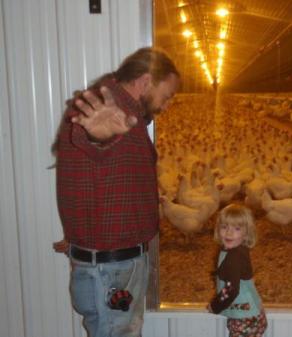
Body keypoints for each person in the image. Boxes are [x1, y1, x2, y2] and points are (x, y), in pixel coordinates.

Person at [52, 47, 180, 337]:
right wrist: (97, 137)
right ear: (146, 81)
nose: (167, 104)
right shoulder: (105, 112)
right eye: (167, 94)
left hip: (103, 263)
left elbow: (88, 172)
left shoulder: (116, 109)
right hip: (112, 266)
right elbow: (92, 140)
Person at [208, 204, 267, 337]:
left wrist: (215, 305)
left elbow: (231, 289)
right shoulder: (238, 249)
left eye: (237, 228)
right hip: (250, 314)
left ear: (247, 232)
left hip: (245, 319)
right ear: (218, 229)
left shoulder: (233, 258)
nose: (229, 233)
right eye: (224, 227)